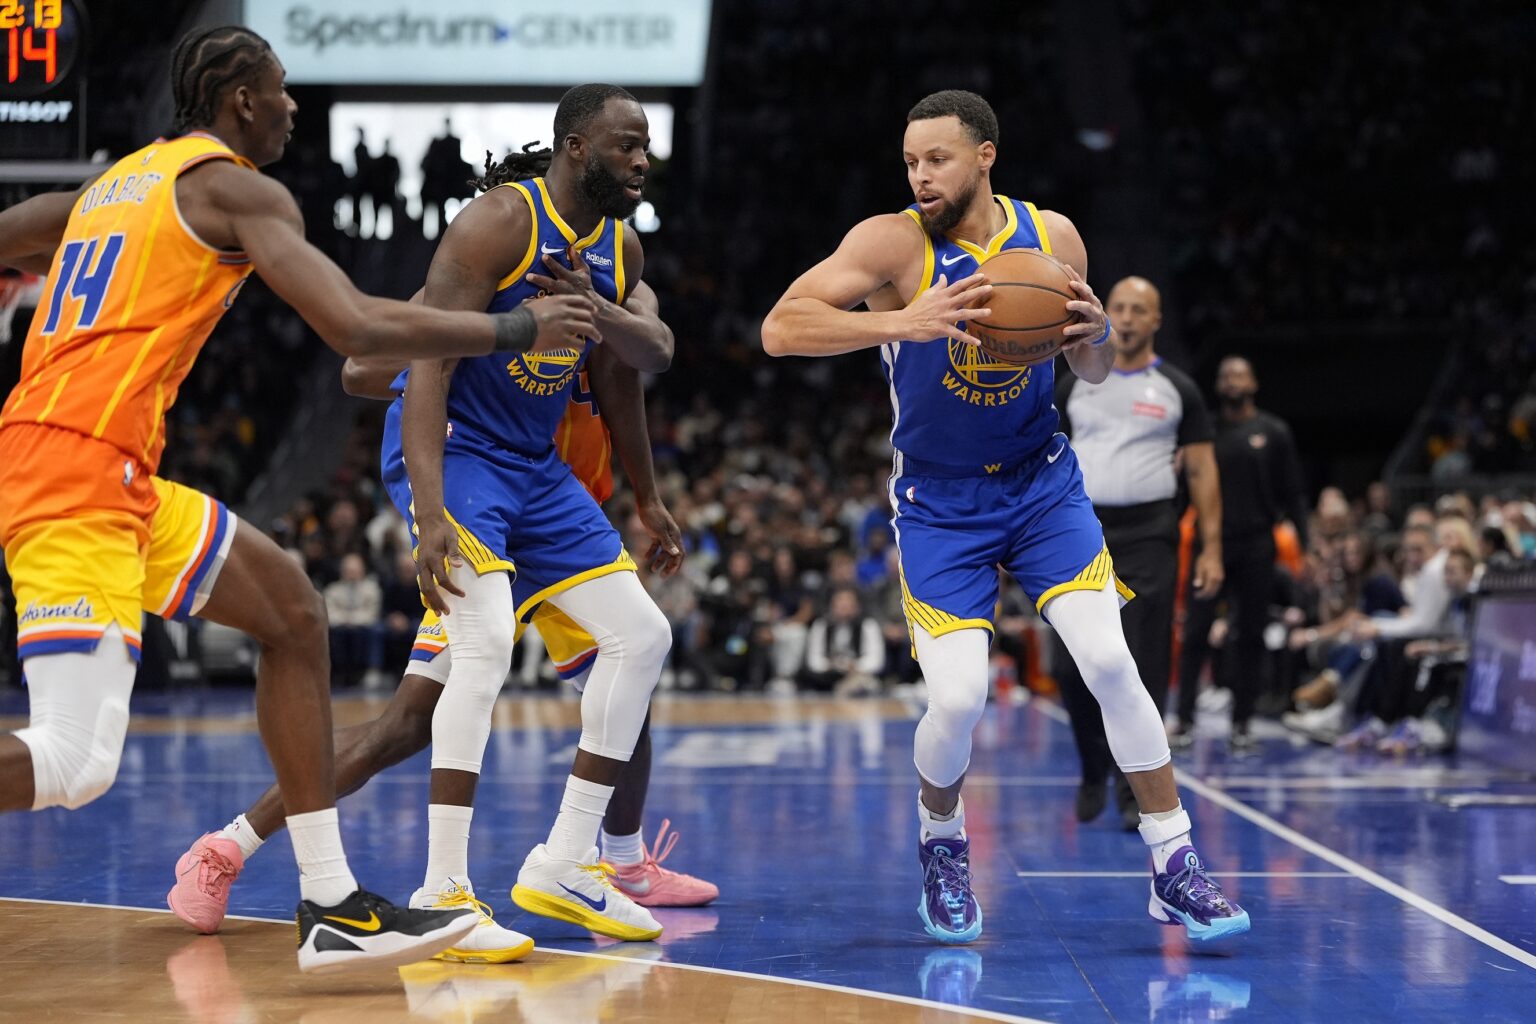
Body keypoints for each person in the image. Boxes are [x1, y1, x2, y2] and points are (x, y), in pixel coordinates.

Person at [0, 25, 599, 972]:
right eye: (281, 91)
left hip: (113, 467)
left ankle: (328, 901)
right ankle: (327, 898)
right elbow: (355, 325)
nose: (293, 107)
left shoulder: (124, 184)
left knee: (291, 612)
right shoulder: (236, 187)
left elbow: (24, 223)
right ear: (242, 102)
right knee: (77, 763)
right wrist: (517, 325)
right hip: (73, 466)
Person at [761, 90, 1248, 944]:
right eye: (911, 161)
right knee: (957, 701)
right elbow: (780, 326)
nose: (920, 176)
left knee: (1108, 656)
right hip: (940, 502)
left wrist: (1094, 336)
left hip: (1038, 484)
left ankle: (1173, 862)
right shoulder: (890, 243)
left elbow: (1090, 369)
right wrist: (905, 321)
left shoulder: (1052, 238)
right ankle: (942, 841)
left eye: (937, 160)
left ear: (985, 155)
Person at [168, 304, 719, 959]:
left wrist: (645, 493)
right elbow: (363, 368)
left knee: (633, 675)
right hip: (480, 515)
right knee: (404, 724)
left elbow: (642, 358)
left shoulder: (604, 279)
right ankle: (230, 844)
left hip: (559, 522)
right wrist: (472, 347)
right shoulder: (493, 280)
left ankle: (618, 863)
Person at [396, 83, 676, 945]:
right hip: (461, 448)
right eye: (628, 146)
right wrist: (429, 505)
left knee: (644, 636)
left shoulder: (618, 248)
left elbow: (629, 375)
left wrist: (648, 495)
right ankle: (443, 890)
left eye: (647, 147)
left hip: (534, 465)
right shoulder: (497, 223)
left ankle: (565, 860)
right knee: (483, 642)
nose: (643, 160)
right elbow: (426, 355)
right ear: (578, 148)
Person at [1054, 276, 1223, 830]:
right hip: (1078, 529)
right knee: (1069, 663)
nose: (1124, 318)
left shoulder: (1178, 388)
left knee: (1143, 659)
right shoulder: (1073, 383)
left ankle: (1137, 794)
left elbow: (1201, 470)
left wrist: (1211, 547)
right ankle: (1090, 769)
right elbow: (1040, 457)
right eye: (1118, 307)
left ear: (1156, 321)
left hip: (1151, 532)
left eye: (1138, 310)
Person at [1171, 356, 1308, 752]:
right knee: (1196, 632)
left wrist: (1307, 546)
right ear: (1217, 385)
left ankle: (1242, 723)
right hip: (1208, 543)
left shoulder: (1274, 432)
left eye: (1240, 375)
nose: (1233, 381)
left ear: (1254, 382)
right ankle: (1184, 721)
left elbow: (1293, 495)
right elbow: (1184, 490)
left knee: (1250, 635)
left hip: (1256, 544)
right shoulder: (1204, 430)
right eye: (1226, 375)